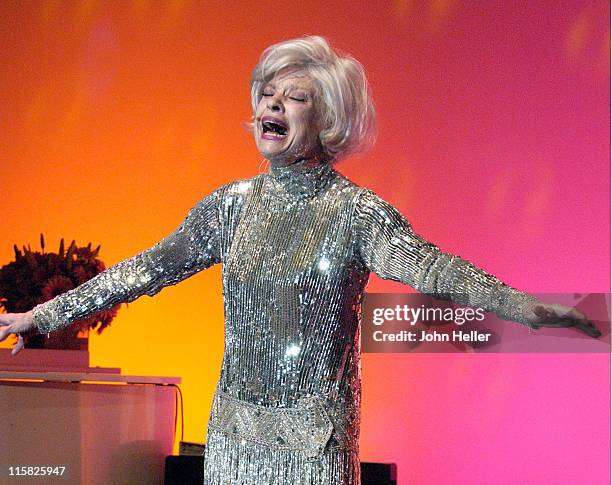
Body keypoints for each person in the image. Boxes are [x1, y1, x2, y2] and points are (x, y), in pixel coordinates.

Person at [0, 35, 601, 484]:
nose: (273, 104)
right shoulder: (228, 207)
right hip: (236, 434)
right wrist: (42, 318)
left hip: (315, 439)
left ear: (329, 118)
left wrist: (528, 309)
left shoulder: (356, 213)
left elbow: (441, 271)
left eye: (295, 97)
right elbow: (144, 270)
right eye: (267, 92)